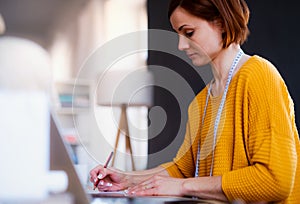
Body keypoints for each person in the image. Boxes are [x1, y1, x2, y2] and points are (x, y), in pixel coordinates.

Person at [90, 0, 300, 203]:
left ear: (222, 23)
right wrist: (128, 179)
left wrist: (184, 186)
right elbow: (181, 170)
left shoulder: (259, 76)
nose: (181, 45)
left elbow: (275, 179)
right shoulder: (201, 101)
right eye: (179, 35)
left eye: (189, 33)